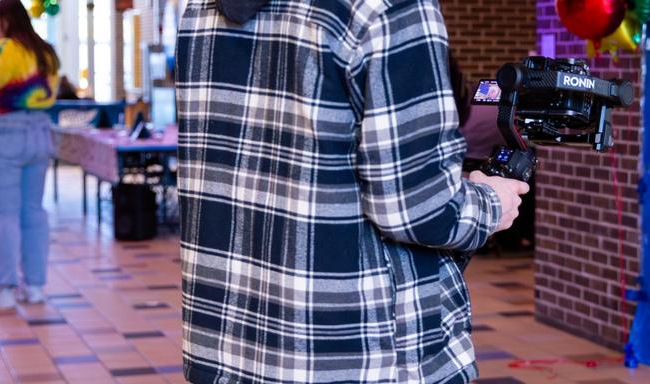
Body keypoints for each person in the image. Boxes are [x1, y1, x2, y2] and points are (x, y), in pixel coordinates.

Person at [177, 1, 529, 383]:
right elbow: (420, 210)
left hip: (229, 348)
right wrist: (491, 202)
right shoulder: (387, 8)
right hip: (354, 354)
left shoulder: (201, 10)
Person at [0, 0, 60, 309]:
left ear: (3, 20)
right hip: (40, 133)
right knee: (33, 212)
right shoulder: (46, 53)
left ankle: (2, 290)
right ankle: (36, 286)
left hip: (2, 134)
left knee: (2, 213)